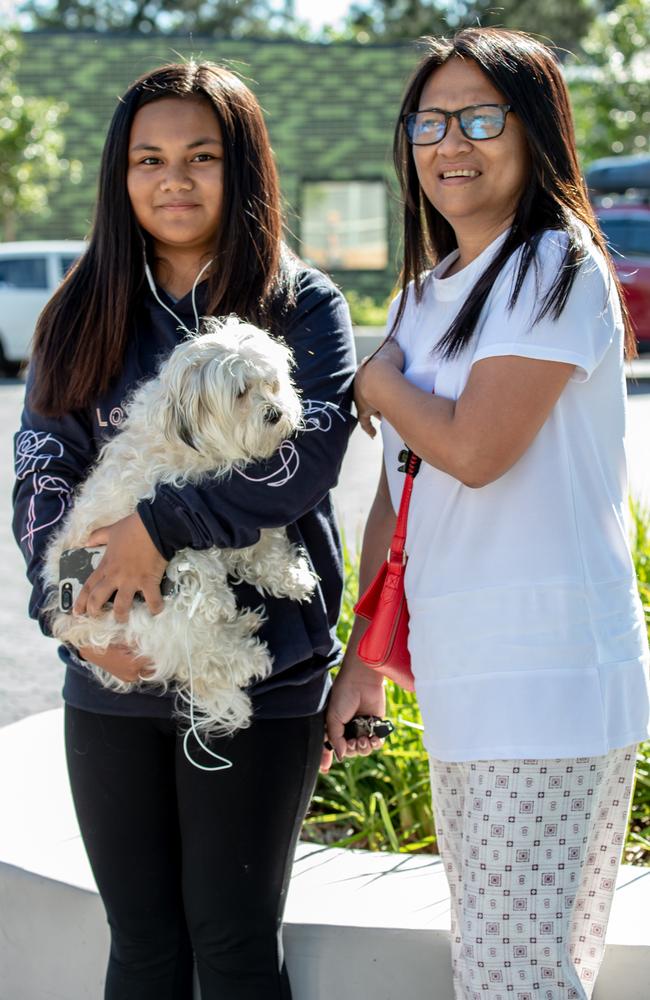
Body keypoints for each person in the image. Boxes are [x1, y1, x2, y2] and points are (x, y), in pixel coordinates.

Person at [13, 62, 355, 1000]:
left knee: (235, 942)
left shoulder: (304, 304)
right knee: (144, 944)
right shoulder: (81, 308)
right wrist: (75, 615)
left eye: (202, 156)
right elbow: (42, 471)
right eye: (148, 158)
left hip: (264, 673)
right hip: (110, 681)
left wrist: (156, 528)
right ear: (119, 177)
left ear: (243, 168)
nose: (174, 179)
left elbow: (300, 469)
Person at [323, 27, 650, 1000]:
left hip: (546, 678)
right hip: (473, 679)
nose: (447, 142)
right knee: (506, 966)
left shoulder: (552, 266)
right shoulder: (429, 291)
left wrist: (377, 382)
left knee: (516, 977)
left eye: (477, 116)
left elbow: (471, 448)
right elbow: (402, 487)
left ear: (535, 130)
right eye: (429, 119)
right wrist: (365, 664)